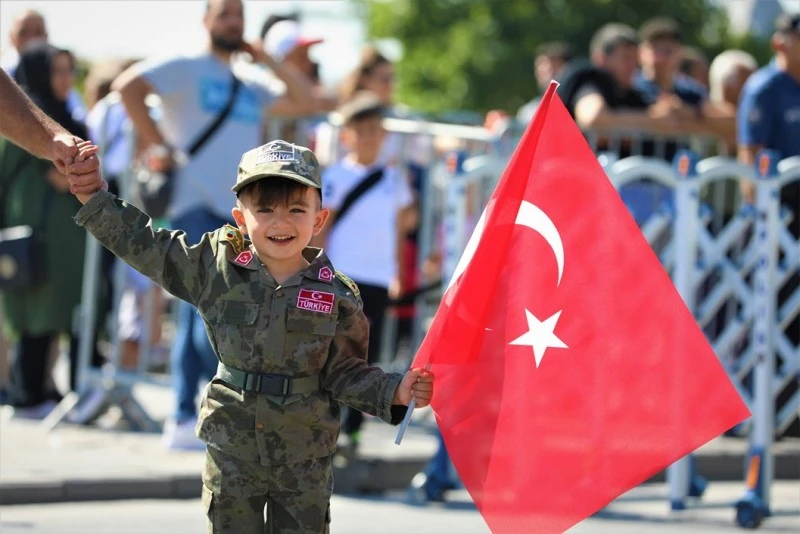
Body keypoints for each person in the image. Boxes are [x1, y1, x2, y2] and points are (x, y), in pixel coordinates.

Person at [68, 138, 434, 533]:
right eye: (265, 209)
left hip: (303, 456)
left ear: (319, 220)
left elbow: (346, 373)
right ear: (240, 219)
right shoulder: (216, 267)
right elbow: (150, 246)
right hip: (232, 447)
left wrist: (396, 391)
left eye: (297, 210)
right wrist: (94, 197)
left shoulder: (336, 295)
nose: (281, 222)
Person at [112, 0, 324, 449]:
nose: (233, 22)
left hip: (238, 215)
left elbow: (306, 100)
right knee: (202, 310)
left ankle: (200, 414)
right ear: (206, 20)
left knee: (218, 312)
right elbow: (127, 86)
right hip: (193, 205)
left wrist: (265, 58)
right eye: (225, 14)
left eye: (239, 15)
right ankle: (183, 414)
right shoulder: (186, 65)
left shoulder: (250, 81)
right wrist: (158, 145)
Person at [314, 92, 417, 454]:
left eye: (375, 129)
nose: (370, 137)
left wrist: (399, 273)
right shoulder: (335, 176)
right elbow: (323, 227)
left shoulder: (394, 179)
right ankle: (326, 424)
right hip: (341, 275)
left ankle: (352, 428)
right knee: (332, 349)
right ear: (347, 135)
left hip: (377, 277)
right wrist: (315, 267)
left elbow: (401, 228)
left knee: (363, 356)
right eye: (362, 130)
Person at [0, 43, 99, 418]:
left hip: (68, 236)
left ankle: (55, 391)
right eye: (57, 70)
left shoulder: (68, 118)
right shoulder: (24, 121)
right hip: (36, 234)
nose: (66, 79)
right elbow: (56, 177)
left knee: (67, 311)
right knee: (36, 312)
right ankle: (28, 394)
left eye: (69, 70)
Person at [737, 12, 800, 220]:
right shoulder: (764, 88)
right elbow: (750, 153)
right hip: (778, 198)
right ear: (779, 43)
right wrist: (760, 212)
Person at [1, 9, 87, 121]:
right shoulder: (4, 73)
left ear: (46, 36)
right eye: (23, 32)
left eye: (38, 32)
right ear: (11, 36)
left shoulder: (66, 90)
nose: (31, 38)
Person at [517, 42, 574, 124]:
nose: (548, 73)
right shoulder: (529, 113)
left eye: (553, 68)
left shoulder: (581, 106)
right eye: (541, 67)